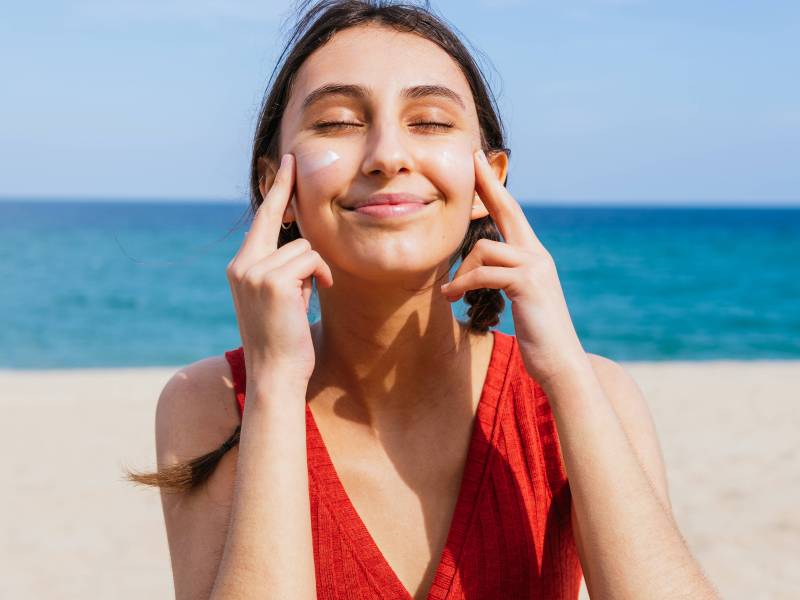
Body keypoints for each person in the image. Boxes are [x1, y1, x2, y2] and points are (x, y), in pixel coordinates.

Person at [127, 1, 720, 598]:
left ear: (489, 180)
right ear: (272, 184)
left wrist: (565, 372)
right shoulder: (209, 403)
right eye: (336, 122)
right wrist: (276, 382)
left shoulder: (592, 394)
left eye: (431, 122)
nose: (388, 155)